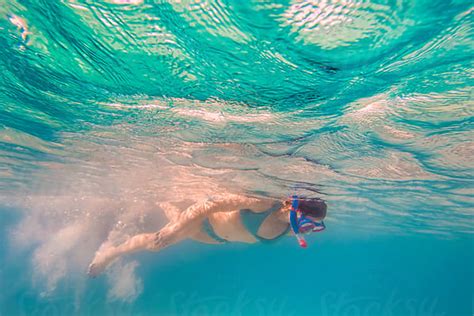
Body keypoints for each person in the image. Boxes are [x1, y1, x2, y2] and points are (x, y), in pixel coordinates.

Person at [87, 194, 327, 277]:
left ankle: (164, 203)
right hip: (202, 223)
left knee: (173, 217)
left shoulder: (288, 230)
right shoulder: (262, 204)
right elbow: (211, 203)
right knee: (155, 244)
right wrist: (175, 228)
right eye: (305, 222)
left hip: (213, 238)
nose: (304, 230)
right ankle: (110, 255)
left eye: (312, 227)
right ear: (289, 207)